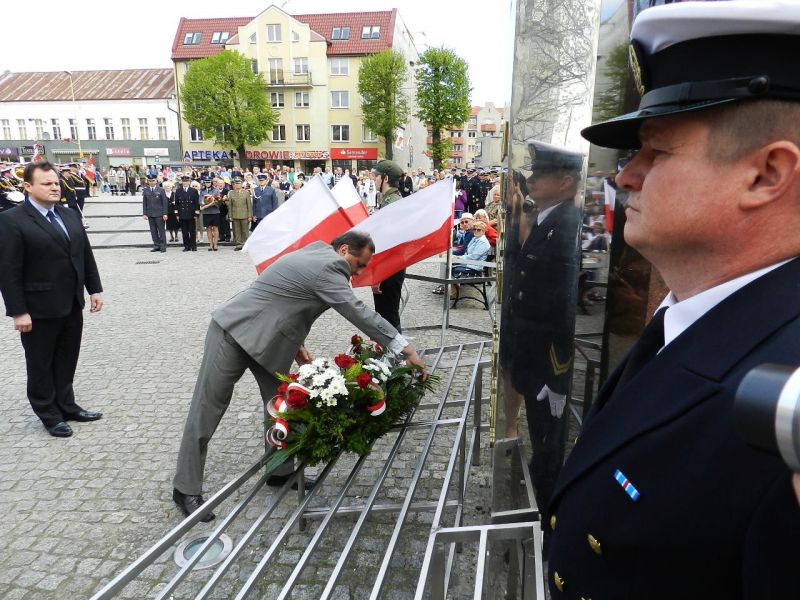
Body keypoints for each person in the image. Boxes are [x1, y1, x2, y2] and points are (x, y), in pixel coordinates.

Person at [547, 3, 800, 598]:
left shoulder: (787, 396)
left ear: (767, 175)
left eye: (656, 153)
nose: (625, 176)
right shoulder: (697, 317)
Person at [172, 231, 427, 520]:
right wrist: (404, 348)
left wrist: (297, 346)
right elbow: (357, 311)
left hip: (271, 339)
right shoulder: (330, 267)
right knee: (207, 407)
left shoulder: (315, 252)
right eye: (359, 264)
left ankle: (280, 472)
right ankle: (185, 488)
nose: (358, 273)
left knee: (283, 404)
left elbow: (287, 300)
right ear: (344, 250)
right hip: (234, 332)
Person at [0, 161, 103, 438]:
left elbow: (84, 254)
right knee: (41, 363)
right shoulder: (12, 220)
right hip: (38, 308)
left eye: (56, 182)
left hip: (71, 302)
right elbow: (8, 270)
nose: (55, 187)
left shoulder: (68, 214)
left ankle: (67, 405)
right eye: (47, 183)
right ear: (28, 186)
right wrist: (18, 311)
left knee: (67, 358)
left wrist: (94, 289)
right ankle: (48, 413)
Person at [370, 159, 406, 331]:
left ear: (385, 179)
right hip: (392, 265)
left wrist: (378, 274)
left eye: (376, 176)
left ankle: (396, 348)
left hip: (390, 266)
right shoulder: (390, 199)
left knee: (388, 317)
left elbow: (388, 243)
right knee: (385, 315)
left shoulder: (392, 203)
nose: (374, 179)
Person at [142, 175, 169, 253]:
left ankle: (163, 246)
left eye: (153, 180)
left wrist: (165, 213)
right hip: (150, 214)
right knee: (153, 231)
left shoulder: (161, 190)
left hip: (159, 214)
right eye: (150, 181)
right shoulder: (146, 190)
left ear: (156, 181)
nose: (151, 182)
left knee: (161, 231)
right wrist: (145, 213)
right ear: (148, 181)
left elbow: (164, 202)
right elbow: (144, 203)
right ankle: (156, 245)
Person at [175, 176, 200, 252]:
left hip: (191, 214)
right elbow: (176, 204)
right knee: (184, 232)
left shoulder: (194, 191)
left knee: (192, 231)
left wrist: (196, 214)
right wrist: (177, 214)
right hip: (182, 214)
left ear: (189, 182)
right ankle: (186, 246)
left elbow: (197, 203)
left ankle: (193, 246)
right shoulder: (178, 191)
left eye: (186, 181)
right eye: (184, 181)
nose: (185, 183)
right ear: (182, 182)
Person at [227, 177, 253, 250]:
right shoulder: (231, 193)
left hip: (244, 215)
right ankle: (238, 244)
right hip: (235, 215)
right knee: (236, 231)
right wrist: (230, 216)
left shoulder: (246, 193)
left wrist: (250, 216)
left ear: (241, 184)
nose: (237, 185)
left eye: (238, 183)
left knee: (245, 231)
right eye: (235, 183)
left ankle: (245, 244)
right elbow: (230, 206)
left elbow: (249, 205)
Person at [199, 180, 221, 252]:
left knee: (215, 228)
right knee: (208, 228)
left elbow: (218, 201)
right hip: (206, 212)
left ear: (211, 183)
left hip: (215, 212)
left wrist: (208, 205)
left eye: (208, 182)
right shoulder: (202, 191)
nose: (207, 183)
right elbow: (200, 200)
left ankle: (215, 244)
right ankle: (210, 244)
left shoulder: (216, 190)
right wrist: (203, 203)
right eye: (206, 182)